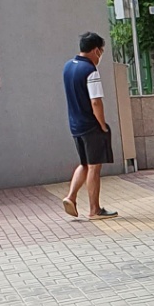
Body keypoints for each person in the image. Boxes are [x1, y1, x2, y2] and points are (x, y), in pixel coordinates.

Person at [63, 33, 116, 220]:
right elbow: (96, 102)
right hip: (90, 125)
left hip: (75, 125)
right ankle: (95, 210)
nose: (100, 56)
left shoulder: (68, 66)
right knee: (94, 167)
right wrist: (102, 125)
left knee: (84, 164)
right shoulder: (90, 70)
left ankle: (71, 197)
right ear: (95, 50)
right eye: (101, 51)